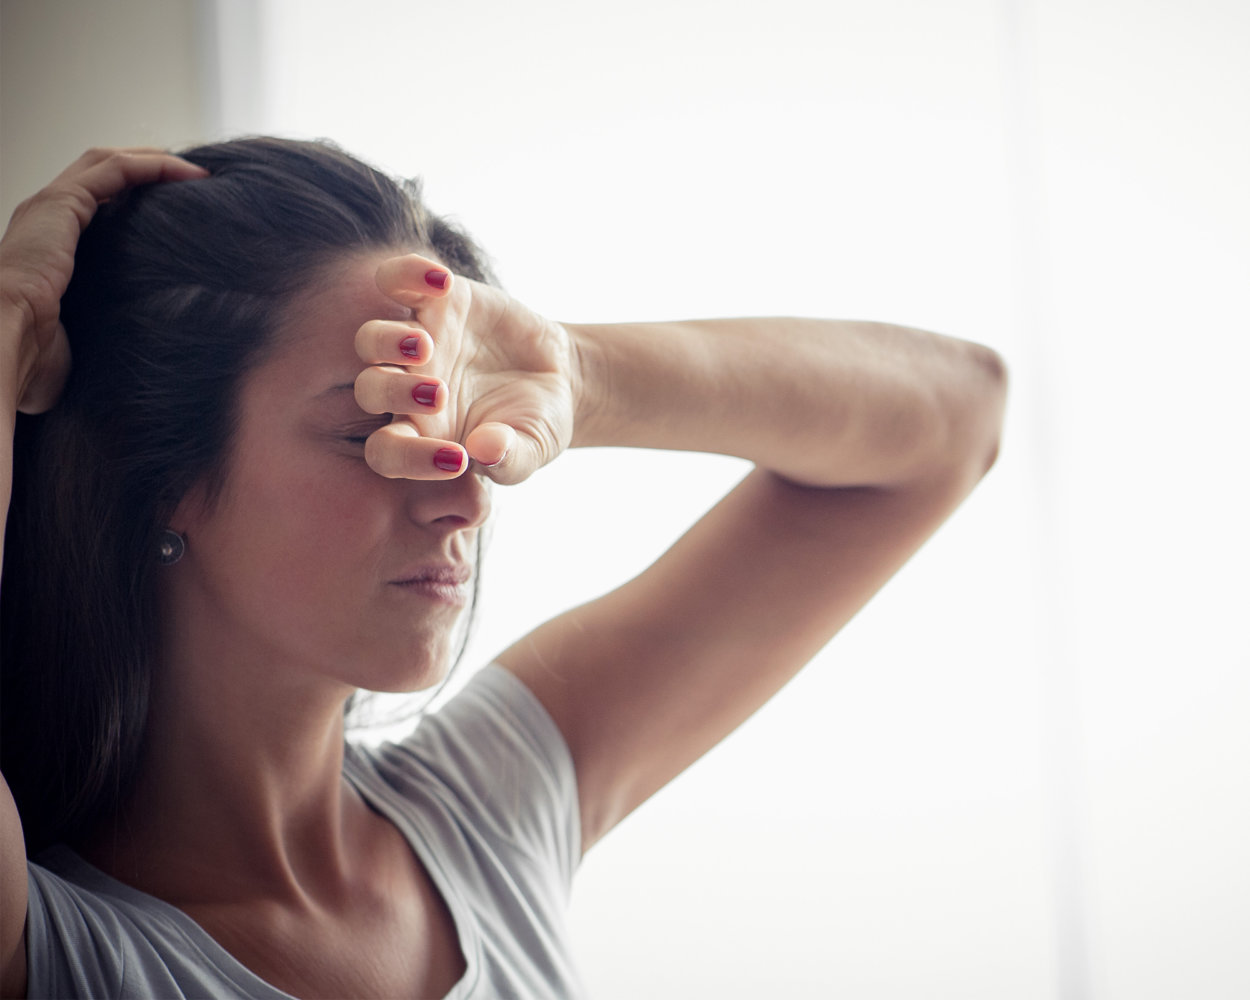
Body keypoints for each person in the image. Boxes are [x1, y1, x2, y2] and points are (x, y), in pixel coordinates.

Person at [0, 139, 1006, 999]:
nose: (465, 493)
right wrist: (7, 318)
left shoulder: (484, 808)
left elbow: (957, 414)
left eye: (454, 429)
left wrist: (577, 375)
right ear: (158, 469)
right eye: (371, 435)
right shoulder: (54, 948)